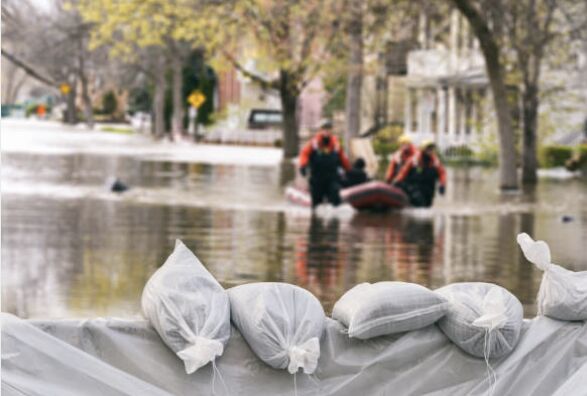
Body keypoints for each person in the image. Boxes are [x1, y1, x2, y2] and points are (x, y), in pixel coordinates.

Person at [298, 120, 351, 208]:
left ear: (331, 130)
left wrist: (349, 170)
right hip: (317, 178)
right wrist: (303, 165)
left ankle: (335, 218)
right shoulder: (314, 143)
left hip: (332, 178)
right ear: (321, 130)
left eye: (328, 129)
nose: (326, 131)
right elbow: (304, 154)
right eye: (324, 129)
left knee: (335, 197)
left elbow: (343, 158)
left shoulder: (336, 144)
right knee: (316, 203)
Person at [392, 140, 446, 207]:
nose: (430, 151)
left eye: (431, 149)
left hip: (429, 189)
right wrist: (397, 181)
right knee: (419, 202)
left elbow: (442, 173)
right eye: (428, 148)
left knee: (427, 205)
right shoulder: (414, 160)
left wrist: (442, 185)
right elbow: (403, 172)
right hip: (415, 187)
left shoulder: (435, 161)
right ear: (423, 149)